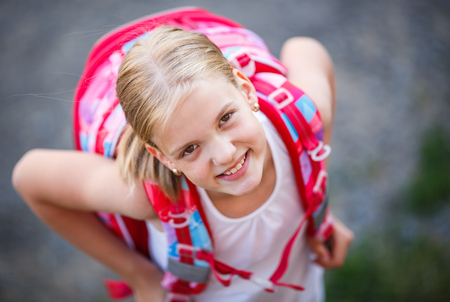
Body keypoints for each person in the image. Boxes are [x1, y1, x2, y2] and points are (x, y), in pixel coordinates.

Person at [12, 7, 353, 302]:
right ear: (163, 157)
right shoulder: (149, 197)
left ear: (245, 90)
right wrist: (139, 276)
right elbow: (28, 177)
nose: (225, 154)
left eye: (225, 118)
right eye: (190, 149)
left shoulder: (304, 120)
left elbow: (306, 48)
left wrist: (318, 199)